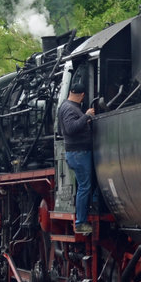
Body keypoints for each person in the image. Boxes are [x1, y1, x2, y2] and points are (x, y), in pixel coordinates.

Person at [58, 80, 96, 235]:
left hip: (78, 153)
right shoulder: (69, 108)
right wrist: (86, 116)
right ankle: (81, 222)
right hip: (78, 153)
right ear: (82, 95)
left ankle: (89, 213)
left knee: (86, 185)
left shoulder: (68, 107)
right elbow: (70, 128)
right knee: (84, 186)